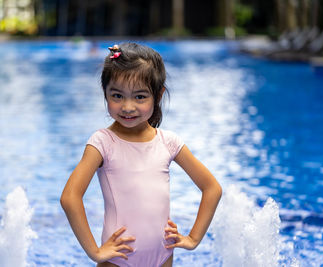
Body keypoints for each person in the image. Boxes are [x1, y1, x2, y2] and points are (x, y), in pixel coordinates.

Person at [60, 42, 222, 267]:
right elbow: (70, 197)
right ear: (105, 93)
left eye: (139, 97)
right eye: (117, 95)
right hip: (119, 258)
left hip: (163, 256)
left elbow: (212, 188)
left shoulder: (168, 142)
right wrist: (95, 252)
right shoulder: (103, 143)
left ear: (158, 95)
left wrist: (194, 238)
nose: (127, 107)